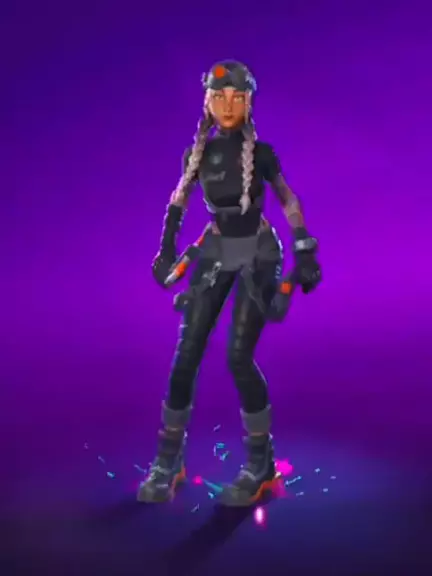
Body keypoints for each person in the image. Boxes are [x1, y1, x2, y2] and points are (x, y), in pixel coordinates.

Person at [137, 61, 321, 507]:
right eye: (219, 97)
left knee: (238, 357)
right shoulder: (195, 155)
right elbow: (179, 200)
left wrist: (303, 247)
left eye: (237, 97)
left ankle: (261, 464)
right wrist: (166, 250)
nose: (228, 105)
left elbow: (288, 199)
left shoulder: (262, 154)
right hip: (216, 250)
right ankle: (168, 461)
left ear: (249, 101)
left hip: (258, 252)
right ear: (207, 101)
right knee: (186, 356)